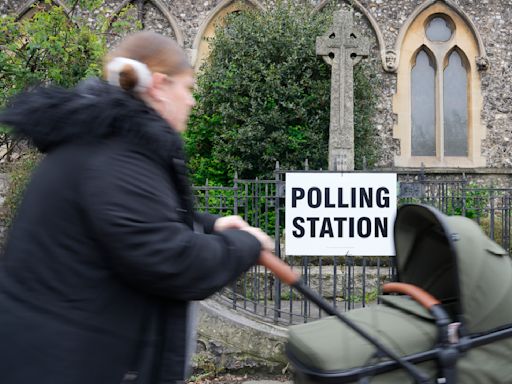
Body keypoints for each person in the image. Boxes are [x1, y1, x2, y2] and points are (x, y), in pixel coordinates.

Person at [0, 31, 273, 384]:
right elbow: (172, 260)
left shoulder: (108, 143)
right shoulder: (115, 157)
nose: (191, 101)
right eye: (187, 88)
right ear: (160, 86)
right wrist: (247, 245)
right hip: (63, 365)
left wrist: (212, 226)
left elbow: (139, 219)